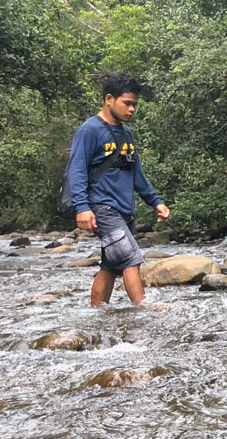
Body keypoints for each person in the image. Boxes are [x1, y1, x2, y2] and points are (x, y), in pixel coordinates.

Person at [67, 72, 170, 306]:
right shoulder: (89, 130)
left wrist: (156, 201)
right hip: (103, 208)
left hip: (125, 209)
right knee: (130, 258)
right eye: (127, 103)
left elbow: (137, 174)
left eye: (135, 105)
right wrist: (82, 208)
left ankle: (96, 313)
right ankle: (144, 310)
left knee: (111, 265)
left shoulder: (127, 134)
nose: (132, 109)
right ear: (109, 99)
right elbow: (77, 170)